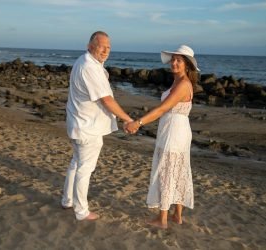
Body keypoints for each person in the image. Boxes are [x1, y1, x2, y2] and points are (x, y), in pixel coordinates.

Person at [61, 31, 133, 221]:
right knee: (84, 169)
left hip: (79, 123)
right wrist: (127, 119)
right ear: (90, 45)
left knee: (76, 164)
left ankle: (67, 200)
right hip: (87, 128)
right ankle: (81, 211)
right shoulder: (89, 67)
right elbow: (106, 100)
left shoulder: (86, 62)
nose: (105, 50)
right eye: (101, 46)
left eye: (108, 47)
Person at [126, 45, 200, 229]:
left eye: (179, 60)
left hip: (174, 131)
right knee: (178, 169)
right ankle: (177, 215)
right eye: (173, 59)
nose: (174, 63)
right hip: (175, 129)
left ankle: (163, 219)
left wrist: (138, 122)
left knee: (168, 171)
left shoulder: (183, 84)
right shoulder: (178, 82)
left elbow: (162, 109)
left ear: (187, 65)